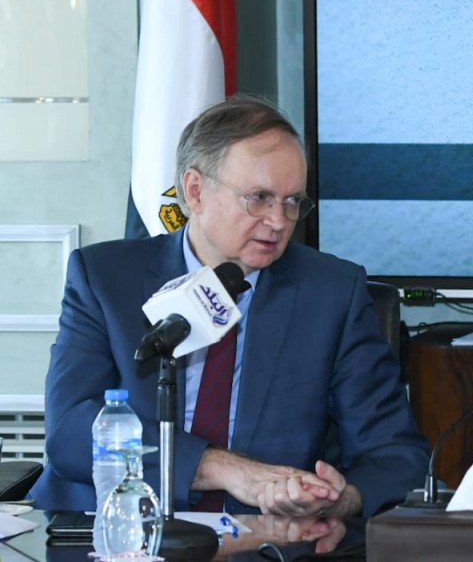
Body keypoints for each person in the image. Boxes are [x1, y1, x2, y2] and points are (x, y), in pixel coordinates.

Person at [31, 95, 428, 518]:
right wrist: (223, 469)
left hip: (266, 536)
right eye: (258, 198)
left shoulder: (331, 292)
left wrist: (337, 502)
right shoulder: (105, 278)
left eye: (292, 202)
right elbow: (71, 432)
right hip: (109, 528)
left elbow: (392, 454)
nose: (279, 222)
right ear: (196, 191)